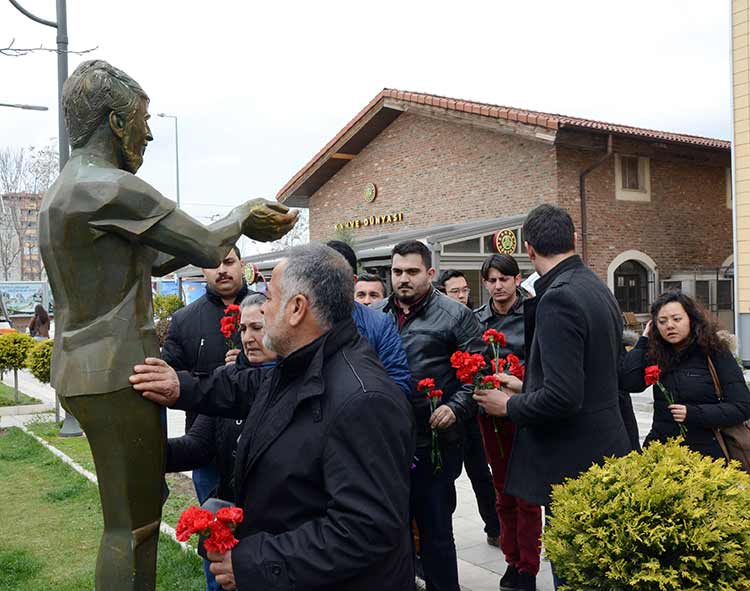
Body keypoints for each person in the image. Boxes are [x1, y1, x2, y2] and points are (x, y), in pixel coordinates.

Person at [39, 59, 297, 591]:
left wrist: (217, 234)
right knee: (132, 526)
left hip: (83, 369)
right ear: (115, 122)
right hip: (117, 372)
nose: (149, 134)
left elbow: (155, 260)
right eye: (142, 120)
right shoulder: (111, 187)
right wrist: (243, 214)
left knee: (132, 511)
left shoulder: (64, 191)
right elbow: (205, 244)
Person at [130, 243, 415, 591]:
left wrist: (253, 563)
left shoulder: (364, 400)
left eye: (270, 297)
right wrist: (179, 386)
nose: (262, 307)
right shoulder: (299, 366)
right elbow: (243, 387)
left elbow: (364, 530)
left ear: (296, 309)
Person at [473, 204, 632, 590]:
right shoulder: (594, 285)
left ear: (528, 250)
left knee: (575, 574)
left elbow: (563, 397)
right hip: (604, 449)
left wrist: (508, 405)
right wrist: (525, 385)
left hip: (574, 460)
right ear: (574, 239)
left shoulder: (558, 297)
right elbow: (590, 374)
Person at [373, 240, 484, 591]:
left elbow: (479, 374)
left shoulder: (456, 315)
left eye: (412, 271)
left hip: (433, 441)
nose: (402, 278)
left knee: (436, 534)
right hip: (385, 443)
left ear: (430, 273)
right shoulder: (375, 315)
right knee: (392, 534)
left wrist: (455, 407)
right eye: (396, 271)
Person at [472, 254, 542, 591]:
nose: (498, 286)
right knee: (502, 491)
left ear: (517, 280)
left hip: (524, 412)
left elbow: (544, 364)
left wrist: (521, 383)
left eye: (504, 279)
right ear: (485, 283)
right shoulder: (476, 320)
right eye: (492, 280)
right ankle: (512, 560)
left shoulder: (533, 314)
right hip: (490, 416)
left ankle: (528, 566)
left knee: (527, 495)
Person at [166, 293, 277, 504]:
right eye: (243, 329)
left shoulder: (294, 381)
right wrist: (149, 453)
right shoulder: (227, 380)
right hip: (231, 510)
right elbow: (197, 446)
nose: (248, 338)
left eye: (257, 327)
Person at [620, 290, 750, 459]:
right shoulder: (656, 354)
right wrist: (643, 340)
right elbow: (629, 383)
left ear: (691, 319)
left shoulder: (714, 351)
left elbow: (742, 406)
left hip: (707, 457)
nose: (670, 325)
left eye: (677, 319)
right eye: (662, 321)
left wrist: (693, 413)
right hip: (663, 453)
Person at [435, 268, 501, 548]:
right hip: (444, 410)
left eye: (465, 290)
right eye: (455, 291)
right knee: (445, 478)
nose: (462, 296)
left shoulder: (474, 320)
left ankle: (495, 527)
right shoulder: (437, 322)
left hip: (471, 411)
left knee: (481, 473)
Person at [326, 240, 411, 397]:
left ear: (352, 280)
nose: (326, 283)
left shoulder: (379, 325)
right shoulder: (299, 319)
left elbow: (398, 382)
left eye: (335, 276)